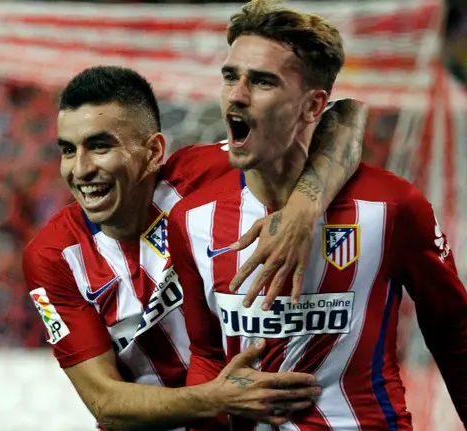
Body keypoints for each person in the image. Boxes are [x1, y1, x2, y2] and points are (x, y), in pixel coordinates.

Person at [167, 1, 467, 429]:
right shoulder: (192, 218)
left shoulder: (391, 206)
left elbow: (454, 333)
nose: (237, 94)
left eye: (263, 81)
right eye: (231, 76)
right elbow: (208, 355)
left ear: (312, 107)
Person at [23, 64, 366, 431]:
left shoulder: (206, 173)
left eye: (100, 147)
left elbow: (346, 118)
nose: (81, 169)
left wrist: (300, 210)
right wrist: (218, 396)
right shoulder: (54, 256)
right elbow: (106, 403)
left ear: (154, 152)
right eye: (68, 150)